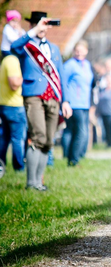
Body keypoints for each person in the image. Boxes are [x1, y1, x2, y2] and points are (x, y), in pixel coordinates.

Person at [11, 11, 72, 190]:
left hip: (53, 96)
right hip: (34, 96)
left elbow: (61, 75)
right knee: (38, 138)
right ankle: (31, 183)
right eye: (39, 24)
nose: (43, 27)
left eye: (45, 24)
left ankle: (39, 182)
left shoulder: (54, 48)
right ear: (32, 25)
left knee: (48, 141)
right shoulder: (26, 46)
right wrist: (33, 31)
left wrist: (66, 101)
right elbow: (13, 47)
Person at [61, 40, 94, 166]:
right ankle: (74, 159)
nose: (79, 53)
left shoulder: (87, 64)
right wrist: (65, 101)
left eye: (82, 50)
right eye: (77, 50)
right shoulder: (69, 65)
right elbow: (63, 83)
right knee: (81, 132)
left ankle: (71, 157)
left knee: (72, 131)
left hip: (84, 104)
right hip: (74, 104)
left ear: (86, 51)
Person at [0, 54, 27, 172]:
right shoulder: (12, 60)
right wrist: (24, 77)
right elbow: (14, 84)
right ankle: (19, 167)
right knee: (18, 139)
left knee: (4, 138)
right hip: (14, 106)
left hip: (5, 104)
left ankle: (1, 165)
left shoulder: (5, 60)